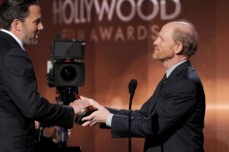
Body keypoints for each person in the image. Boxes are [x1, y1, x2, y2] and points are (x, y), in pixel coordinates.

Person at [0, 0, 88, 152]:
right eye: (36, 21)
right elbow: (33, 107)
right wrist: (72, 110)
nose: (42, 26)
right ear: (16, 24)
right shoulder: (13, 54)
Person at [81, 20, 206, 152]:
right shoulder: (173, 77)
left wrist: (107, 118)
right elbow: (143, 115)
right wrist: (100, 109)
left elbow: (153, 126)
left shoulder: (184, 83)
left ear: (177, 47)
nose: (155, 42)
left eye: (161, 39)